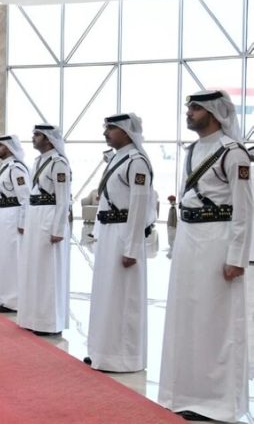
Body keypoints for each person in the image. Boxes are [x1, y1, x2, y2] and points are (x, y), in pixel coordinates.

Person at [159, 90, 253, 422]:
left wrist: (237, 257)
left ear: (214, 113)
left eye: (196, 108)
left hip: (217, 241)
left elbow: (244, 210)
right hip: (189, 240)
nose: (189, 112)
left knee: (216, 322)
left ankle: (218, 402)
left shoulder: (234, 153)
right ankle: (185, 394)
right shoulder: (192, 151)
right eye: (189, 107)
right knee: (186, 317)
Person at [84, 113, 154, 373]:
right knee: (107, 295)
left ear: (126, 131)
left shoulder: (137, 161)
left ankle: (124, 357)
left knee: (124, 298)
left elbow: (139, 205)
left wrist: (132, 248)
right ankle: (103, 352)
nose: (106, 133)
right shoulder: (117, 158)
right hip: (109, 233)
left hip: (124, 234)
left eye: (111, 128)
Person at [17, 124, 71, 336]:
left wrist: (58, 228)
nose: (33, 138)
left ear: (48, 139)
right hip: (35, 216)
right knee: (34, 268)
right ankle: (33, 317)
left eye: (37, 135)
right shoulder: (38, 161)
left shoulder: (59, 163)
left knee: (48, 271)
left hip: (49, 218)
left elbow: (63, 198)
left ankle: (48, 321)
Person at [0, 135, 30, 313]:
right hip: (2, 213)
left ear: (9, 147)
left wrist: (22, 222)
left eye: (1, 145)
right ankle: (0, 296)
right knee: (1, 257)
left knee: (12, 258)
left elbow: (25, 197)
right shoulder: (4, 167)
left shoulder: (16, 168)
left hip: (13, 215)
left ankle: (13, 301)